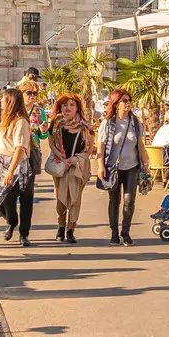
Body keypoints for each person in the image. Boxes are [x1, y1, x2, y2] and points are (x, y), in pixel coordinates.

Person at [0, 87, 39, 245]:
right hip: (1, 166)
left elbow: (20, 148)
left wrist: (10, 171)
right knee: (5, 199)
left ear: (10, 101)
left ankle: (24, 234)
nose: (1, 101)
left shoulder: (21, 121)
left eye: (3, 99)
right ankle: (12, 222)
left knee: (25, 200)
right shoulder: (5, 119)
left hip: (20, 166)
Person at [96, 89, 146, 245]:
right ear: (116, 104)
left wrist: (145, 163)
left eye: (129, 100)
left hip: (132, 167)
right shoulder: (108, 123)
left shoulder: (135, 123)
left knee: (129, 200)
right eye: (124, 100)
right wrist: (100, 166)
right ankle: (114, 232)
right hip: (113, 168)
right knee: (114, 200)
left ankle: (126, 231)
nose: (128, 103)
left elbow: (140, 145)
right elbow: (101, 147)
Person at [47, 93, 97, 243]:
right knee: (61, 198)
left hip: (78, 166)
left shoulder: (85, 126)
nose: (68, 108)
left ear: (77, 108)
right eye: (64, 105)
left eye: (71, 105)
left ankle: (71, 229)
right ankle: (61, 227)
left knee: (75, 198)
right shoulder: (56, 123)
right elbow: (51, 143)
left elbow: (89, 148)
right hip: (60, 165)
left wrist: (75, 160)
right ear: (60, 107)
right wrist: (62, 158)